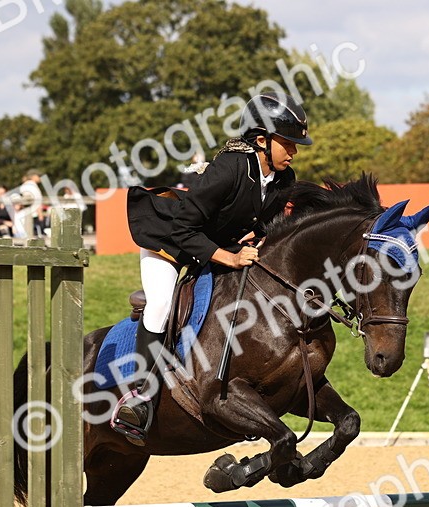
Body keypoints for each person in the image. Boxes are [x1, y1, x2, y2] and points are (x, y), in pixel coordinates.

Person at [113, 91, 312, 444]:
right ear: (262, 141)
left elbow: (268, 224)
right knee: (160, 304)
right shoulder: (230, 167)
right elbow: (183, 229)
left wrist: (261, 239)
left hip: (216, 245)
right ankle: (139, 397)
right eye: (288, 143)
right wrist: (231, 257)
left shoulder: (284, 179)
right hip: (171, 246)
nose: (294, 151)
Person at [8, 171, 43, 239]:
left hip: (24, 214)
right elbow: (37, 201)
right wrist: (40, 215)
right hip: (32, 214)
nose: (40, 178)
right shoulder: (32, 186)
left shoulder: (24, 186)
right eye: (38, 176)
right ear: (34, 176)